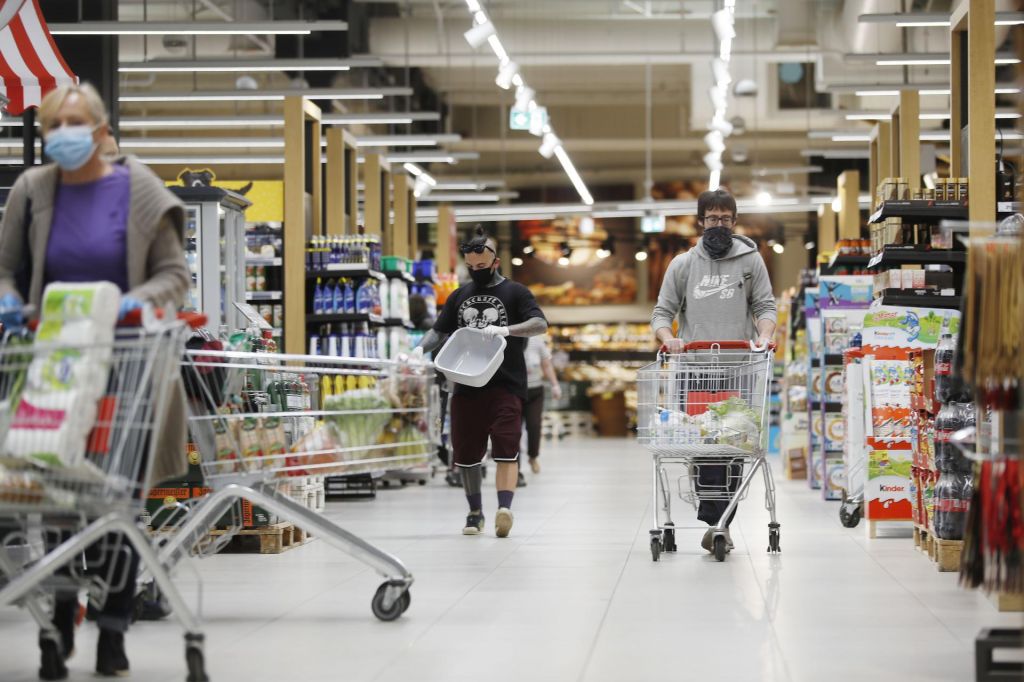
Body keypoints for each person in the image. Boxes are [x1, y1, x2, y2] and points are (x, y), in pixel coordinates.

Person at [0, 82, 190, 679]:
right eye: (53, 126)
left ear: (103, 131)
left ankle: (112, 627)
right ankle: (58, 619)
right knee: (55, 500)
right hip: (55, 370)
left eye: (75, 124)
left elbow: (174, 275)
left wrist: (135, 303)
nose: (63, 136)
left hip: (127, 374)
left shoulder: (137, 190)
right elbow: (4, 269)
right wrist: (8, 302)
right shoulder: (33, 191)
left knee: (114, 503)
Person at [650, 188, 776, 553]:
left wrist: (764, 337)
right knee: (703, 447)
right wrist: (667, 338)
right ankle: (715, 520)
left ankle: (720, 523)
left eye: (724, 219)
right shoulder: (682, 265)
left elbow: (765, 306)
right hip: (694, 370)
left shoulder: (751, 261)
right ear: (701, 222)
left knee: (734, 446)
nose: (718, 225)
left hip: (739, 369)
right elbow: (662, 312)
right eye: (711, 219)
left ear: (734, 223)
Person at [417, 226, 547, 538]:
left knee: (506, 447)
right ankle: (474, 513)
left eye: (482, 266)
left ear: (495, 262)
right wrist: (417, 350)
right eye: (471, 267)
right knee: (466, 454)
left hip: (506, 385)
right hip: (464, 385)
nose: (476, 272)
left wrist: (508, 330)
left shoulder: (516, 292)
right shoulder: (459, 295)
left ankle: (504, 508)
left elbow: (540, 323)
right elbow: (440, 330)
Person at [519, 334, 562, 485]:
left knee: (534, 425)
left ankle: (533, 457)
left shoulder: (537, 342)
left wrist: (555, 385)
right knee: (513, 429)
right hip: (515, 391)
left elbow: (546, 365)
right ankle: (514, 466)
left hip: (535, 391)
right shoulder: (509, 340)